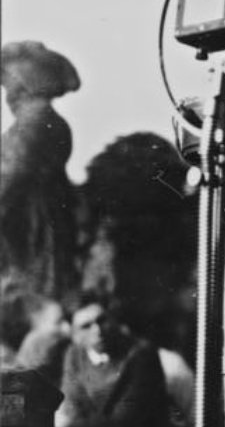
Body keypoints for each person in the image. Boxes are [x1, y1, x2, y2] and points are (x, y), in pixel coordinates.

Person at [0, 41, 80, 298]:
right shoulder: (37, 123)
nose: (6, 92)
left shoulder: (36, 124)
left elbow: (8, 178)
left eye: (8, 83)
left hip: (32, 239)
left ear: (25, 83)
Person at [55, 291, 169, 427]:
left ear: (113, 318)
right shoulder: (74, 355)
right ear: (74, 333)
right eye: (86, 326)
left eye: (102, 320)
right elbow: (70, 408)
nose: (98, 330)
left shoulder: (141, 354)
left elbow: (124, 420)